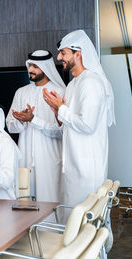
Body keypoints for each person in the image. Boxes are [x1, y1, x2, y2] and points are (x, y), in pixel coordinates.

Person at [43, 30, 115, 209]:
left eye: (63, 53)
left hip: (86, 169)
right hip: (73, 168)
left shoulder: (91, 82)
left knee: (86, 225)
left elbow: (87, 125)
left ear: (78, 53)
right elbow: (69, 126)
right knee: (73, 223)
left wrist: (61, 108)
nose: (59, 57)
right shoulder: (73, 83)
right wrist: (56, 111)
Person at [6, 50, 65, 202]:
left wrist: (33, 120)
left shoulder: (60, 92)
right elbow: (10, 126)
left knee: (50, 202)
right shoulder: (21, 92)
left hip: (49, 159)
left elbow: (62, 131)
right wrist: (21, 121)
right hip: (24, 157)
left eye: (35, 66)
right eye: (29, 65)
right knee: (24, 202)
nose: (30, 70)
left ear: (46, 68)